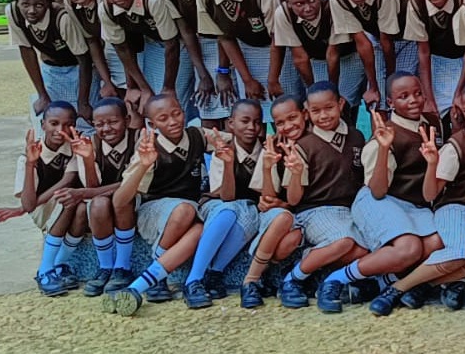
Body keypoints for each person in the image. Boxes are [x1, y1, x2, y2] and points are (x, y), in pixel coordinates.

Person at [243, 89, 367, 309]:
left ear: (304, 114)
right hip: (298, 213)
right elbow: (269, 198)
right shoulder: (278, 147)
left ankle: (319, 276)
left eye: (293, 118)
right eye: (280, 122)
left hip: (323, 210)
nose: (288, 126)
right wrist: (270, 167)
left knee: (362, 250)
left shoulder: (346, 137)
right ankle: (256, 280)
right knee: (289, 232)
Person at [337, 74, 446, 315]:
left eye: (418, 93)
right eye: (403, 96)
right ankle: (337, 280)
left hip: (414, 204)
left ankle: (385, 284)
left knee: (438, 242)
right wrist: (385, 148)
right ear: (391, 102)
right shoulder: (386, 134)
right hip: (381, 199)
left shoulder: (431, 123)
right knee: (410, 248)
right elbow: (377, 190)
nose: (413, 100)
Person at [101, 93, 212, 316]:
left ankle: (138, 287)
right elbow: (120, 201)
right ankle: (155, 272)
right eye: (163, 118)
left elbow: (232, 139)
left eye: (177, 113)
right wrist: (143, 165)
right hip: (155, 211)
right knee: (185, 210)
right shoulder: (149, 148)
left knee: (200, 231)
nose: (173, 121)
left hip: (189, 212)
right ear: (152, 124)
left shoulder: (198, 135)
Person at [393, 80, 465, 311]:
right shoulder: (457, 145)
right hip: (453, 207)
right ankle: (396, 289)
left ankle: (425, 286)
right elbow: (431, 193)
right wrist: (432, 164)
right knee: (463, 253)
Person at [0, 104, 86, 296]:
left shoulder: (75, 148)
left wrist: (22, 209)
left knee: (81, 207)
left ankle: (59, 264)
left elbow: (67, 180)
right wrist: (30, 164)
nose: (61, 130)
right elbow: (29, 203)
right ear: (43, 125)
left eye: (68, 124)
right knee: (68, 198)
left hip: (69, 201)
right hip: (43, 209)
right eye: (54, 123)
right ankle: (45, 271)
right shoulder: (29, 155)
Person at [184, 100, 267, 308]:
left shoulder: (267, 151)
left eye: (257, 122)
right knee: (230, 211)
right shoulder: (223, 150)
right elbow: (227, 196)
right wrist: (229, 163)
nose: (251, 127)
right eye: (245, 121)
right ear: (231, 123)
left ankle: (215, 273)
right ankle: (193, 280)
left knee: (249, 214)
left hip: (249, 207)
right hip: (217, 203)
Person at [196, 0, 280, 116]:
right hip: (246, 50)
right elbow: (225, 38)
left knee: (280, 107)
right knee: (253, 111)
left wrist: (273, 79)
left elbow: (277, 38)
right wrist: (247, 79)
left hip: (278, 52)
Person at [98, 0, 181, 117]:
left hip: (178, 46)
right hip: (152, 44)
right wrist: (140, 87)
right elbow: (122, 49)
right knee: (152, 100)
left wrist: (169, 87)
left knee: (173, 99)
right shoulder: (105, 8)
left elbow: (172, 44)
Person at [269, 0, 363, 107]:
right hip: (316, 60)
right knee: (319, 103)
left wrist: (333, 91)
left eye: (312, 0)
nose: (308, 8)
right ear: (288, 2)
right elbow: (300, 58)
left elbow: (333, 54)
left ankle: (349, 124)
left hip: (347, 57)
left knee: (343, 104)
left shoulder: (332, 8)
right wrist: (312, 90)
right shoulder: (283, 14)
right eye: (299, 4)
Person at [154, 0, 222, 119]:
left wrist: (208, 74)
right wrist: (202, 73)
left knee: (218, 91)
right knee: (183, 87)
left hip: (217, 40)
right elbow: (185, 29)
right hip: (188, 40)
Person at [329, 0, 409, 111]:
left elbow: (388, 41)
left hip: (406, 39)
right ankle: (378, 131)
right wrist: (374, 86)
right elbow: (362, 42)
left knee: (399, 90)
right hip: (378, 39)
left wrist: (389, 83)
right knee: (376, 100)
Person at [7, 0, 93, 120]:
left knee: (83, 121)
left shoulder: (62, 18)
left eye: (39, 5)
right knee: (50, 119)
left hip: (79, 68)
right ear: (17, 1)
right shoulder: (13, 13)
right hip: (51, 68)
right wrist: (42, 94)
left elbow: (83, 58)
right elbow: (26, 50)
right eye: (25, 4)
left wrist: (83, 102)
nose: (31, 11)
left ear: (49, 1)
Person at [401, 0, 465, 118]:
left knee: (462, 106)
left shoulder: (464, 0)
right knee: (434, 110)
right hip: (436, 60)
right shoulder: (417, 3)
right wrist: (428, 98)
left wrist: (459, 91)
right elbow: (423, 52)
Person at [77, 98, 133, 296]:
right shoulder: (89, 144)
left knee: (122, 197)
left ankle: (123, 267)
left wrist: (87, 193)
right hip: (105, 202)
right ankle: (106, 267)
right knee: (98, 204)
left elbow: (133, 183)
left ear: (127, 120)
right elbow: (93, 188)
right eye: (99, 124)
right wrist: (88, 159)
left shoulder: (140, 140)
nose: (106, 128)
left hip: (137, 201)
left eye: (113, 122)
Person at [56, 0, 119, 108]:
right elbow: (92, 42)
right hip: (108, 52)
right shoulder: (70, 2)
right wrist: (107, 82)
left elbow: (125, 46)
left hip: (128, 50)